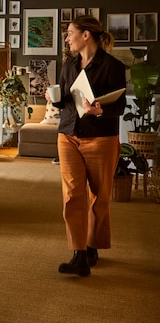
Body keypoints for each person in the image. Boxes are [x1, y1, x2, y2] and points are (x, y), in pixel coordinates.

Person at [46, 15, 126, 277]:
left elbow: (120, 106)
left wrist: (99, 109)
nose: (67, 38)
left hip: (101, 137)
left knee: (99, 198)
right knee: (72, 196)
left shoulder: (112, 66)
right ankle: (78, 254)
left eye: (70, 33)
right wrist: (53, 99)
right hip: (68, 135)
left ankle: (93, 246)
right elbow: (67, 101)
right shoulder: (69, 65)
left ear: (86, 35)